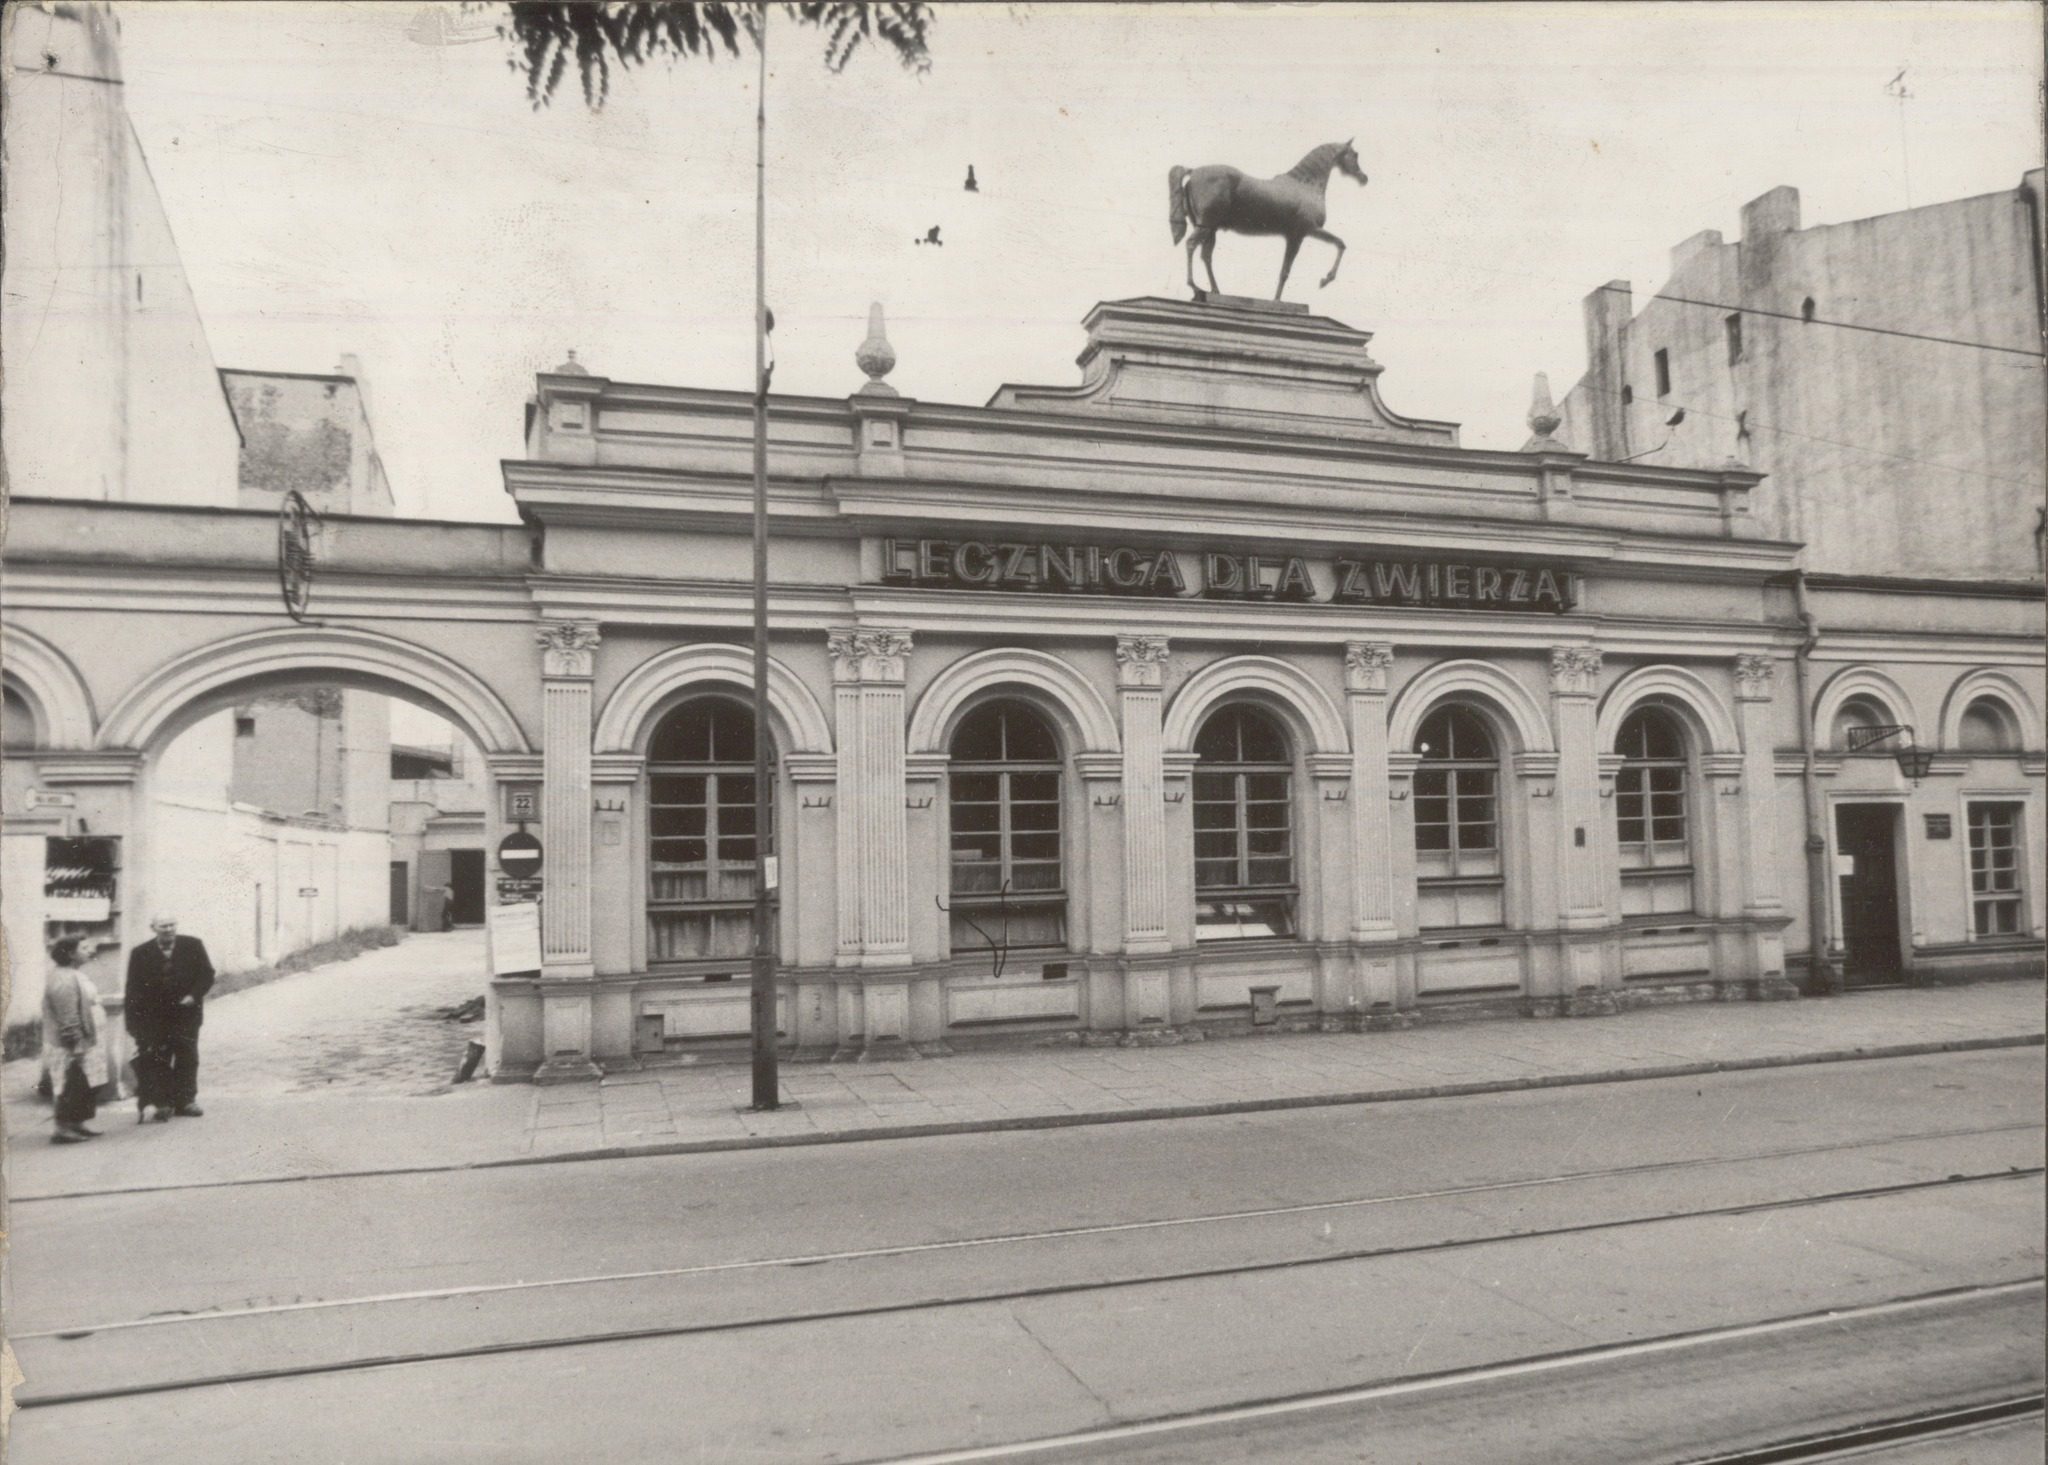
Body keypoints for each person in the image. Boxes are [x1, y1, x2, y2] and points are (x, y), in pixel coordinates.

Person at [125, 914, 214, 1121]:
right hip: (155, 1017)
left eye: (172, 925)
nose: (168, 929)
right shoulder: (140, 953)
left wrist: (193, 996)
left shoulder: (193, 945)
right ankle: (163, 1102)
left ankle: (186, 1101)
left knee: (187, 1056)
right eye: (163, 926)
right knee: (158, 1058)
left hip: (186, 1014)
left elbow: (207, 974)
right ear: (153, 928)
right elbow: (133, 988)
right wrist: (133, 1021)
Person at [42, 936, 105, 1143]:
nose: (90, 951)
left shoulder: (74, 973)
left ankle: (76, 1124)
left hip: (85, 1039)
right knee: (68, 1083)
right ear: (70, 953)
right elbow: (67, 1016)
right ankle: (62, 1129)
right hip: (68, 1043)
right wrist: (76, 1044)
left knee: (81, 1083)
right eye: (84, 948)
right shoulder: (62, 978)